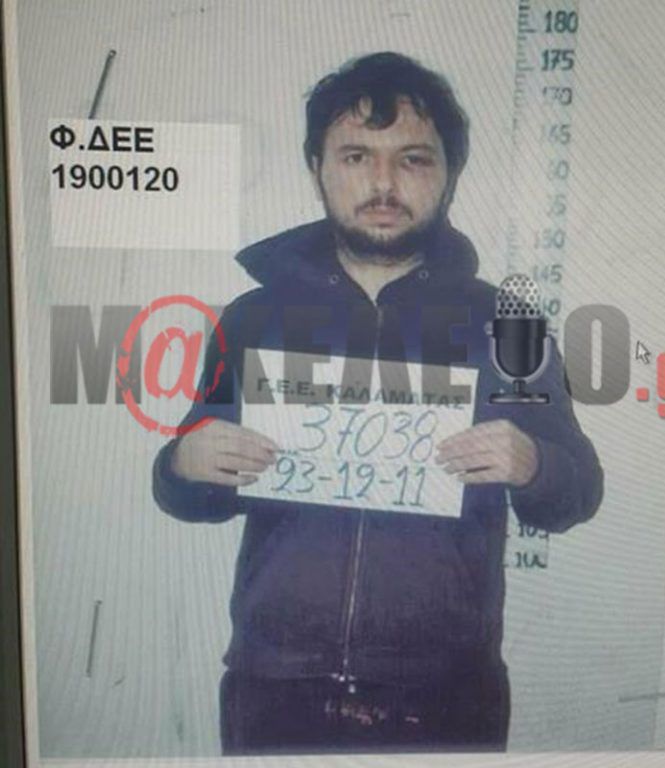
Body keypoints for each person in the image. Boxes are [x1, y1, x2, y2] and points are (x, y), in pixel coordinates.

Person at [152, 51, 603, 754]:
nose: (384, 182)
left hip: (447, 697)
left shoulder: (506, 322)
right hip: (275, 689)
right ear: (317, 168)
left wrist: (533, 463)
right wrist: (185, 463)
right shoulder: (253, 318)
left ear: (450, 172)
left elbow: (575, 494)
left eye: (413, 159)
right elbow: (191, 499)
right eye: (357, 156)